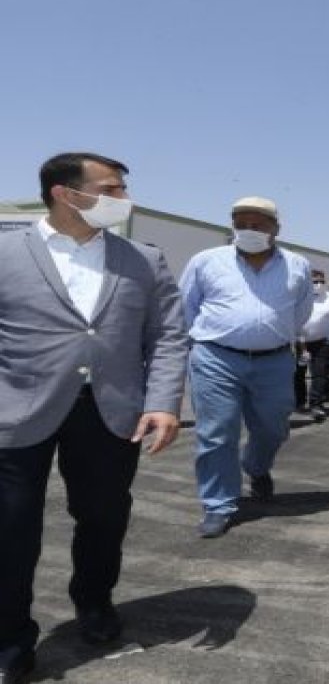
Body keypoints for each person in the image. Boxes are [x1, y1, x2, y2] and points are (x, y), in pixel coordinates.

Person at [0, 153, 188, 679]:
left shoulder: (143, 260)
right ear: (66, 193)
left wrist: (161, 401)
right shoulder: (5, 251)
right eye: (113, 189)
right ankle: (10, 640)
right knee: (11, 529)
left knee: (104, 517)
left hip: (111, 411)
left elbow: (168, 336)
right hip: (15, 410)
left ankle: (94, 600)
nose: (123, 199)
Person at [180, 196, 314, 539]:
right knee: (217, 432)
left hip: (275, 361)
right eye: (242, 223)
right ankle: (218, 504)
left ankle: (256, 467)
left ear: (276, 229)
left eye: (259, 224)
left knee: (272, 428)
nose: (249, 229)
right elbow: (186, 307)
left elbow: (300, 312)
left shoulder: (297, 265)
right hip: (216, 357)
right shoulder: (205, 261)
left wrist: (268, 335)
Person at [295, 270, 329, 423]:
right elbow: (295, 323)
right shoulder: (299, 297)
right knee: (298, 374)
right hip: (300, 341)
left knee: (320, 374)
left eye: (321, 281)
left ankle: (316, 404)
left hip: (323, 342)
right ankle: (299, 402)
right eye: (315, 281)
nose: (318, 285)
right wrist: (302, 348)